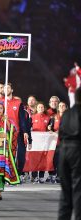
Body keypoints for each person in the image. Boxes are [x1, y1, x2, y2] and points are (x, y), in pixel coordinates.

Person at [57, 87, 81, 220]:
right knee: (78, 189)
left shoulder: (66, 113)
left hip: (64, 151)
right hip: (77, 150)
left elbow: (60, 133)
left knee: (65, 192)